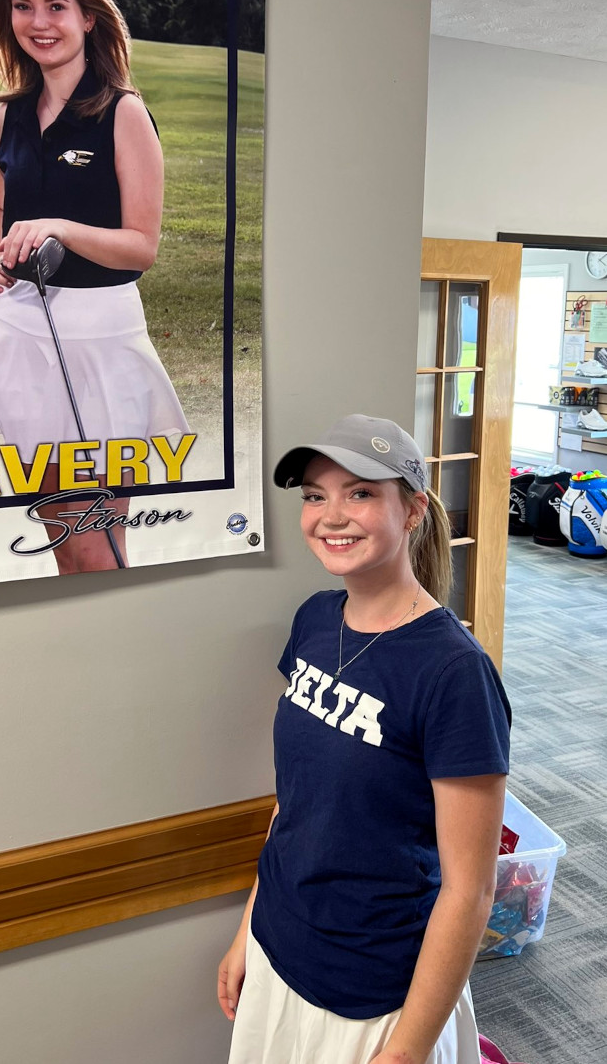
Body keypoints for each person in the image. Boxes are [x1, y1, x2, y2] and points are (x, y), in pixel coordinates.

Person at [218, 414, 511, 1064]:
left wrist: (405, 1051)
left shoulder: (455, 672)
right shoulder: (315, 621)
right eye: (315, 495)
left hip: (374, 995)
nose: (331, 514)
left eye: (359, 492)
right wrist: (248, 932)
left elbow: (471, 890)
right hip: (280, 949)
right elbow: (294, 805)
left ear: (412, 511)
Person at [0, 0, 189, 573]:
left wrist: (58, 226)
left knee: (100, 548)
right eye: (22, 6)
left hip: (100, 341)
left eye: (56, 6)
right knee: (60, 538)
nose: (39, 23)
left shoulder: (123, 113)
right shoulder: (7, 115)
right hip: (20, 335)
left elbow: (140, 247)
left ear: (88, 15)